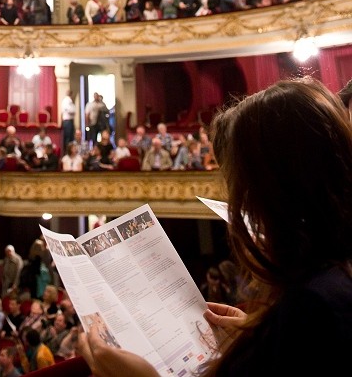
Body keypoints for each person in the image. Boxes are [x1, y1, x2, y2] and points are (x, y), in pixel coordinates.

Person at [80, 78, 352, 377]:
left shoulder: (315, 305)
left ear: (274, 189)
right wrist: (257, 337)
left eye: (239, 183)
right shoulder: (325, 281)